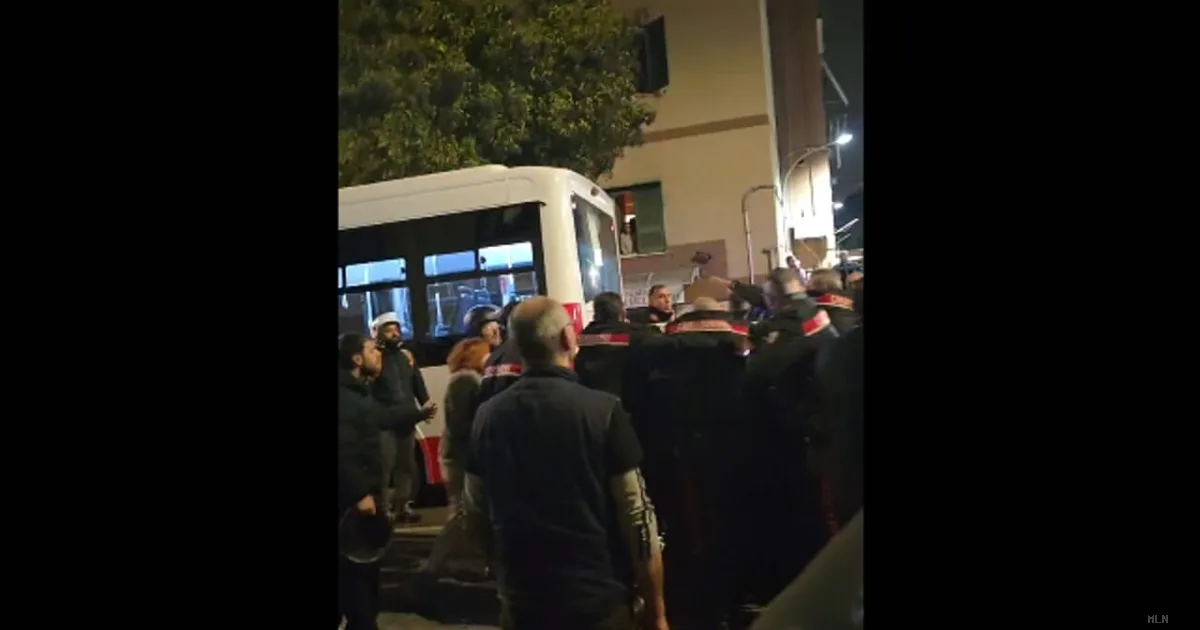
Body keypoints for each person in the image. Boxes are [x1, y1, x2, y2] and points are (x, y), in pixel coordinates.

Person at [465, 297, 668, 630]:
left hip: (523, 601)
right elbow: (637, 517)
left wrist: (502, 574)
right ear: (568, 337)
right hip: (597, 597)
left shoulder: (486, 417)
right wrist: (656, 613)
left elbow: (475, 512)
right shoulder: (603, 410)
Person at [416, 337, 492, 584]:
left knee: (472, 512)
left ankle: (479, 563)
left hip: (460, 455)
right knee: (460, 513)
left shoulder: (466, 379)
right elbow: (461, 425)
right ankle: (433, 567)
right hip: (460, 458)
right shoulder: (466, 381)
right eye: (485, 352)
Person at [337, 333, 388, 630]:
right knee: (358, 585)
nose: (378, 353)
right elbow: (342, 449)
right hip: (351, 504)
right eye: (372, 350)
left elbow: (380, 418)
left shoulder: (358, 391)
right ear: (356, 359)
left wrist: (415, 413)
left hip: (358, 499)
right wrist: (360, 494)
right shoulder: (345, 396)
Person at [371, 313, 437, 524]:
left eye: (396, 329)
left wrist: (426, 403)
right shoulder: (374, 358)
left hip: (407, 420)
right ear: (378, 333)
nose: (395, 333)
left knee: (406, 467)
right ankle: (382, 509)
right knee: (384, 468)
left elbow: (417, 382)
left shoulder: (406, 357)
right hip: (385, 423)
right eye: (389, 330)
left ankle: (402, 506)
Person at [575, 291, 653, 403]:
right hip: (627, 404)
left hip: (594, 404)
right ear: (622, 312)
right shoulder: (632, 336)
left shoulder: (585, 339)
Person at [805, 268, 859, 334]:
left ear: (818, 283)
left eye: (809, 281)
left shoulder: (817, 303)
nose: (807, 283)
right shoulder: (851, 295)